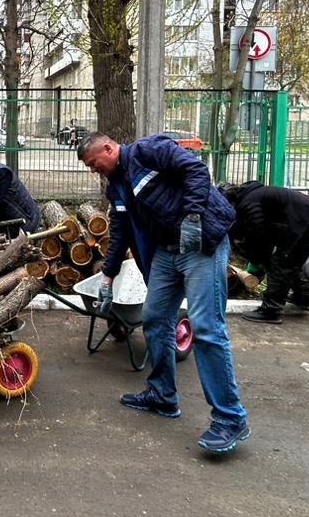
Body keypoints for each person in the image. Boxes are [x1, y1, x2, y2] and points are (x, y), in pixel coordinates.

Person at [77, 131, 250, 454]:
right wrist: (107, 278)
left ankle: (230, 418)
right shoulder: (115, 184)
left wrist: (194, 216)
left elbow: (195, 170)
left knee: (207, 328)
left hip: (202, 243)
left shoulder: (147, 152)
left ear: (107, 148)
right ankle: (162, 394)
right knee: (155, 317)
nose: (93, 169)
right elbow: (121, 230)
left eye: (93, 163)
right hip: (167, 251)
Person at [220, 181, 309, 324]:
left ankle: (270, 310)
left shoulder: (248, 201)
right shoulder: (253, 195)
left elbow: (257, 232)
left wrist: (258, 258)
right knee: (292, 260)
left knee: (281, 263)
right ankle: (303, 299)